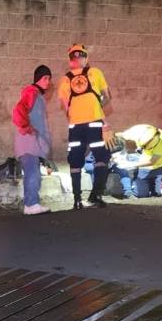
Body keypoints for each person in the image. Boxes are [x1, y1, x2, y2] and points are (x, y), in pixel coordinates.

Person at [57, 44, 115, 210]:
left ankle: (77, 200)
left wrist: (76, 113)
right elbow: (107, 96)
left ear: (70, 60)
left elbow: (65, 105)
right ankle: (96, 196)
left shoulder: (65, 79)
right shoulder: (95, 72)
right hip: (95, 123)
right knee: (102, 156)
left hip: (75, 125)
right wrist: (97, 110)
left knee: (75, 160)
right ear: (86, 58)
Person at [13, 65, 53, 215]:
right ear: (38, 78)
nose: (48, 82)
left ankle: (32, 203)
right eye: (45, 78)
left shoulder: (37, 95)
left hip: (32, 142)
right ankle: (31, 205)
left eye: (49, 78)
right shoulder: (32, 92)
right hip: (28, 141)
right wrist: (26, 128)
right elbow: (18, 110)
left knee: (33, 172)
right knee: (32, 173)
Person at [116, 124, 162, 198]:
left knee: (161, 193)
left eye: (146, 147)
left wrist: (131, 164)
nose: (144, 148)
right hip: (144, 166)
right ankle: (151, 184)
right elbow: (119, 135)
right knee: (141, 195)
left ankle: (154, 184)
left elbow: (152, 161)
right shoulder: (137, 132)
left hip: (161, 165)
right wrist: (119, 153)